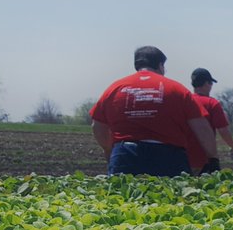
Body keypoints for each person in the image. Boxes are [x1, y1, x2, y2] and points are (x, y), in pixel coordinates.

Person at [91, 46, 218, 176]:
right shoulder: (177, 89)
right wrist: (213, 158)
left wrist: (109, 150)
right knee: (168, 195)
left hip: (125, 155)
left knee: (123, 195)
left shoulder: (114, 88)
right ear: (160, 65)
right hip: (168, 157)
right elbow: (202, 128)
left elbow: (97, 126)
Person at [187, 68, 233, 174]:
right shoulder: (212, 103)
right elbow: (223, 130)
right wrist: (232, 146)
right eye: (210, 83)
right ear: (206, 83)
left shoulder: (184, 101)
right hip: (205, 157)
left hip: (184, 157)